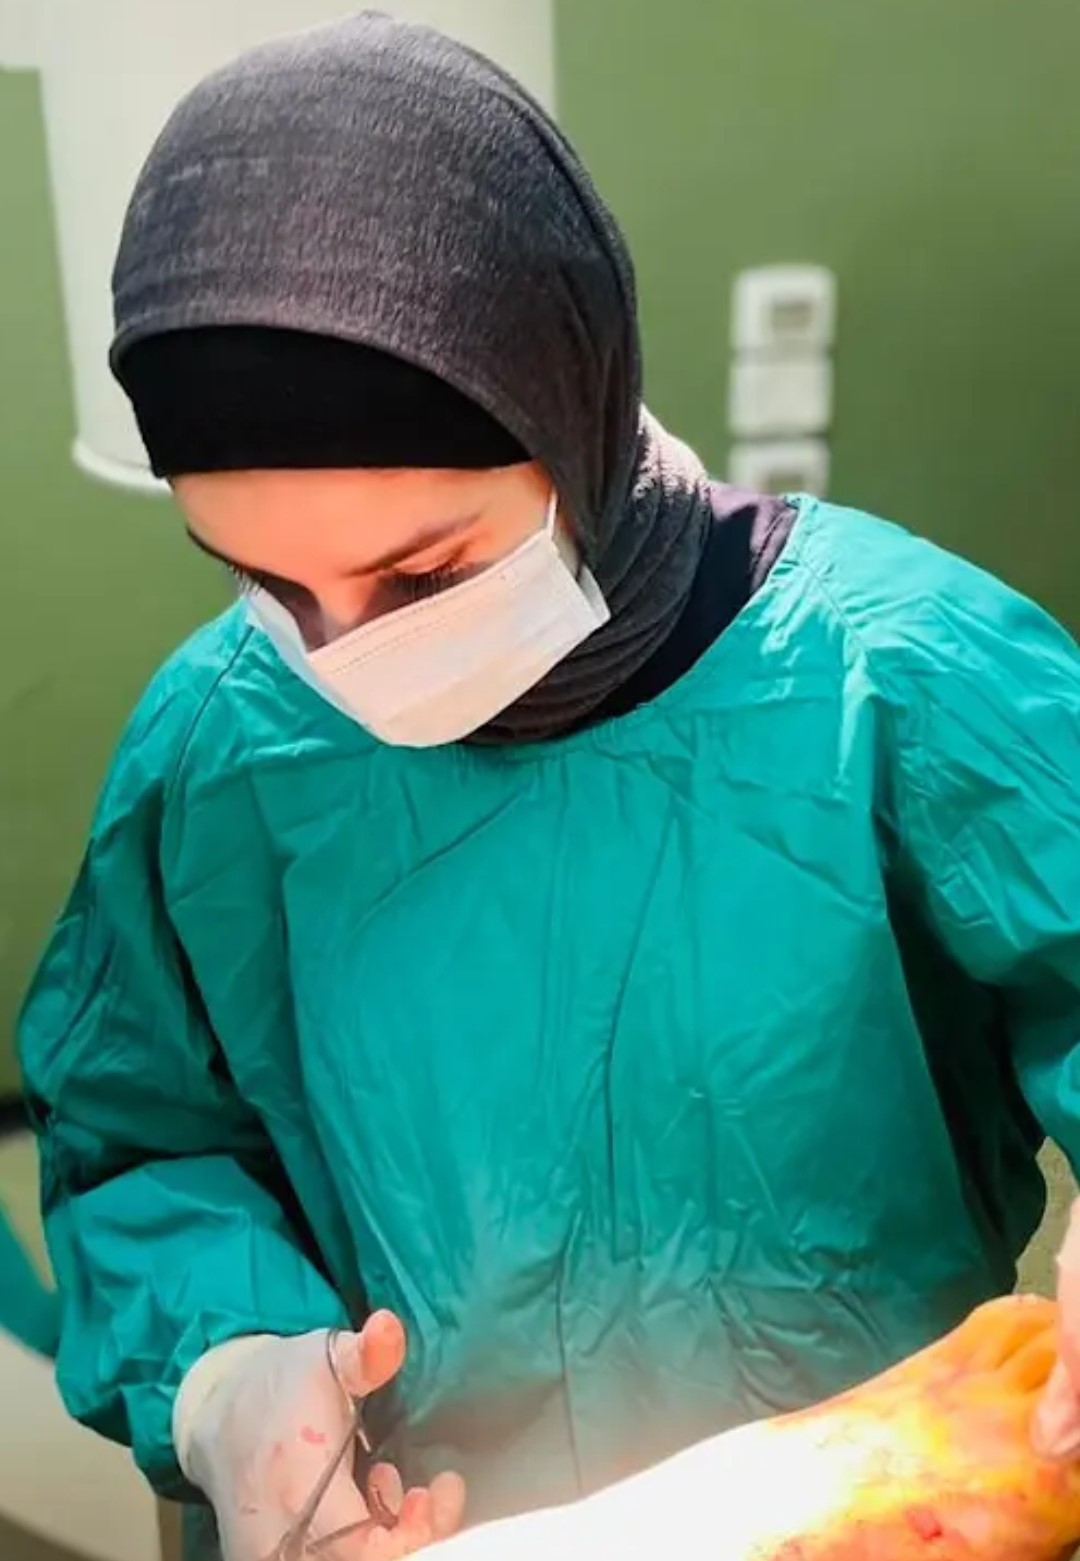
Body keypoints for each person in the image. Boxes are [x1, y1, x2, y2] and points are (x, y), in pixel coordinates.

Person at [16, 11, 1080, 1561]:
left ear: (570, 412)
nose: (347, 660)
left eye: (427, 568)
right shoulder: (218, 746)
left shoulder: (893, 675)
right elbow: (142, 1131)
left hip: (882, 1508)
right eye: (265, 581)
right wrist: (229, 1375)